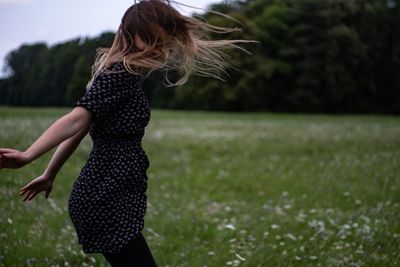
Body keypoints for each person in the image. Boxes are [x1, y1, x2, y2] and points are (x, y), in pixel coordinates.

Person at [0, 0, 250, 266]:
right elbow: (75, 121)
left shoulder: (123, 74)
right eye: (152, 38)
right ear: (132, 34)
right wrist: (28, 156)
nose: (159, 47)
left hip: (111, 191)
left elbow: (81, 130)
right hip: (105, 195)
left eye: (163, 40)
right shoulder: (119, 74)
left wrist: (50, 174)